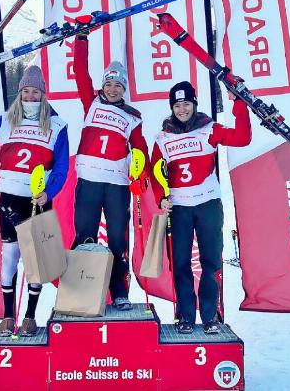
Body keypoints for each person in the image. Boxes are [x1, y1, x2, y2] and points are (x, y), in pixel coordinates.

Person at [0, 66, 69, 336]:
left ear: (43, 94)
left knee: (36, 262)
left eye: (35, 92)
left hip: (37, 201)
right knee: (9, 257)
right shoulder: (6, 121)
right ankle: (8, 315)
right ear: (20, 94)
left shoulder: (57, 125)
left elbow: (62, 167)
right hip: (9, 199)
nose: (30, 97)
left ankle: (29, 316)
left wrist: (49, 193)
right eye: (26, 92)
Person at [150, 81, 251, 334]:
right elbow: (154, 171)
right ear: (171, 108)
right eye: (177, 105)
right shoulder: (162, 137)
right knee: (181, 264)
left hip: (208, 204)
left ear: (194, 104)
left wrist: (239, 102)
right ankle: (184, 315)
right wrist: (160, 196)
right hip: (180, 208)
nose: (182, 109)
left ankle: (209, 316)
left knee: (211, 261)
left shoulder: (209, 128)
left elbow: (242, 138)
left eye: (186, 104)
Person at [72, 32, 150, 311]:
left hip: (116, 184)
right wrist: (81, 39)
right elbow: (80, 72)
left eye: (118, 85)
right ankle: (83, 291)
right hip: (89, 181)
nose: (113, 89)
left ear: (124, 88)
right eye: (109, 83)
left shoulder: (132, 116)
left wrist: (141, 176)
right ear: (103, 85)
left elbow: (140, 149)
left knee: (118, 237)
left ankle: (120, 291)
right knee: (85, 235)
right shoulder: (91, 102)